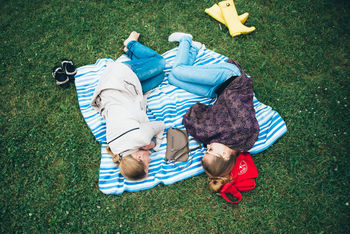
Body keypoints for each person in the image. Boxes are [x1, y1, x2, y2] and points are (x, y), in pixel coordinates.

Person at [168, 32, 259, 191]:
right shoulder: (244, 132)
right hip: (230, 78)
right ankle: (186, 39)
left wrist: (205, 133)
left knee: (172, 79)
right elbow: (235, 99)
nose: (208, 145)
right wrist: (211, 129)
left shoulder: (220, 139)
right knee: (178, 71)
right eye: (210, 150)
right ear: (225, 155)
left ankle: (193, 50)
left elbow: (196, 111)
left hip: (217, 91)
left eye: (206, 149)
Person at [91, 32, 166, 181]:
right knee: (160, 77)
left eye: (147, 164)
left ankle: (131, 44)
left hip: (117, 80)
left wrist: (153, 144)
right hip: (122, 93)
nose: (150, 161)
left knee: (160, 63)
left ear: (138, 157)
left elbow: (160, 125)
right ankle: (131, 53)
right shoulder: (117, 150)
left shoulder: (142, 139)